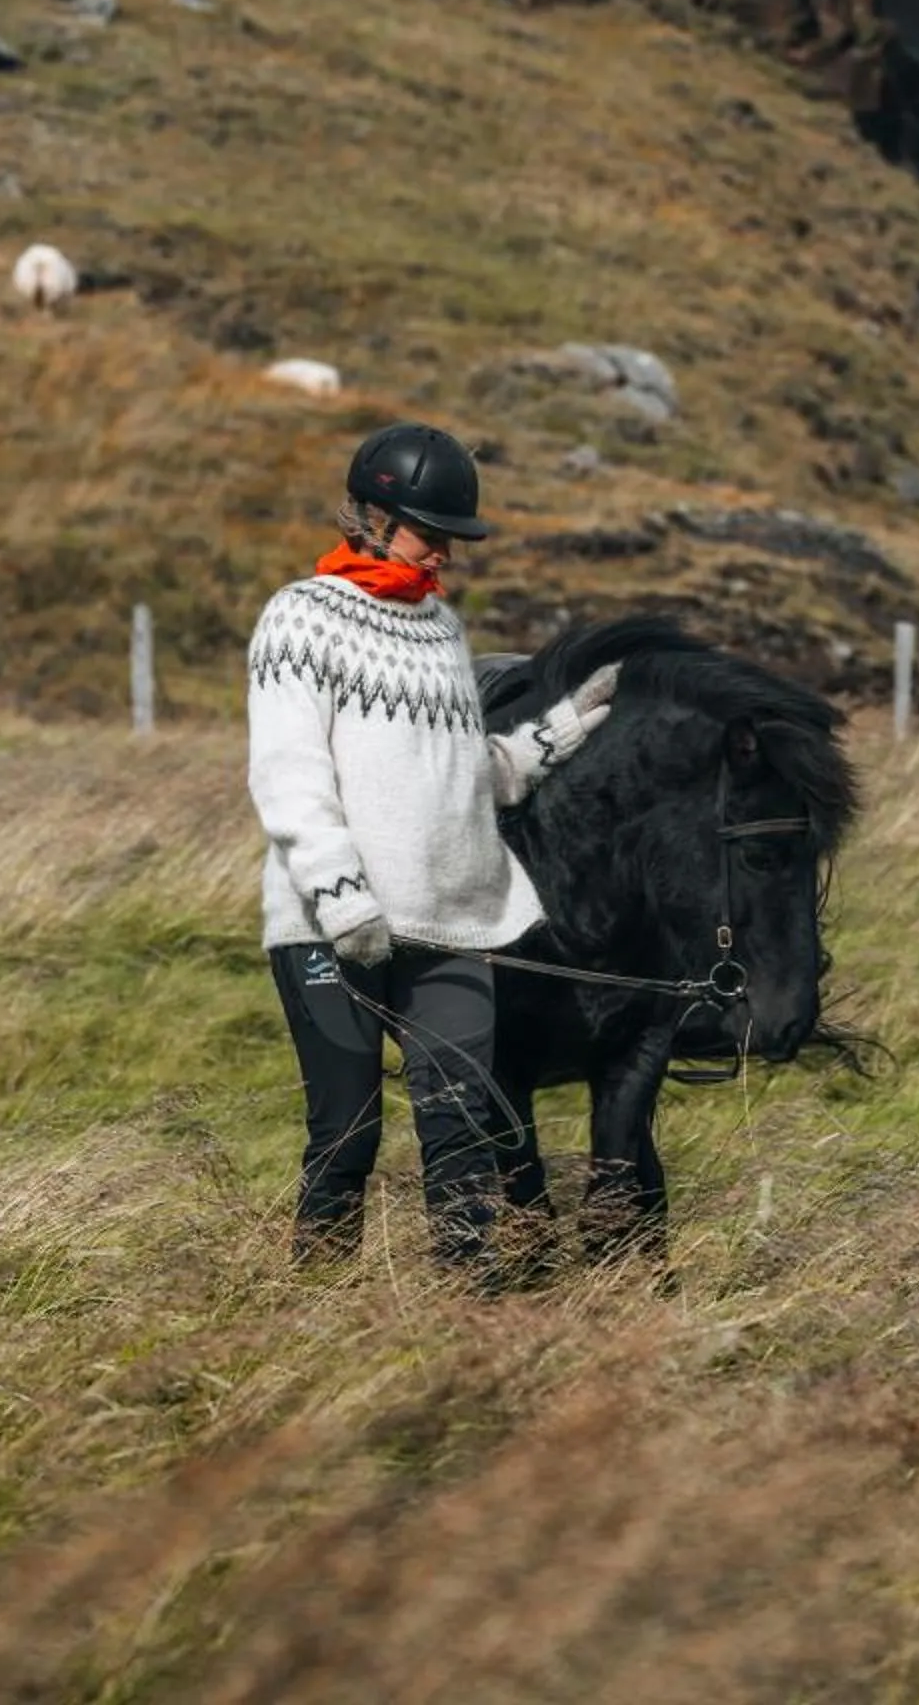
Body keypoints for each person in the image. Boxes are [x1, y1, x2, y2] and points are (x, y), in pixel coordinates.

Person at [246, 422, 619, 1279]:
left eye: (452, 537)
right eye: (431, 532)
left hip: (449, 920)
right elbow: (289, 774)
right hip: (330, 927)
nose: (446, 552)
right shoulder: (300, 620)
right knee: (348, 1129)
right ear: (373, 517)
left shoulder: (442, 631)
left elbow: (458, 772)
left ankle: (469, 1306)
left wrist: (554, 736)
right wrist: (342, 897)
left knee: (461, 1126)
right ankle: (316, 1297)